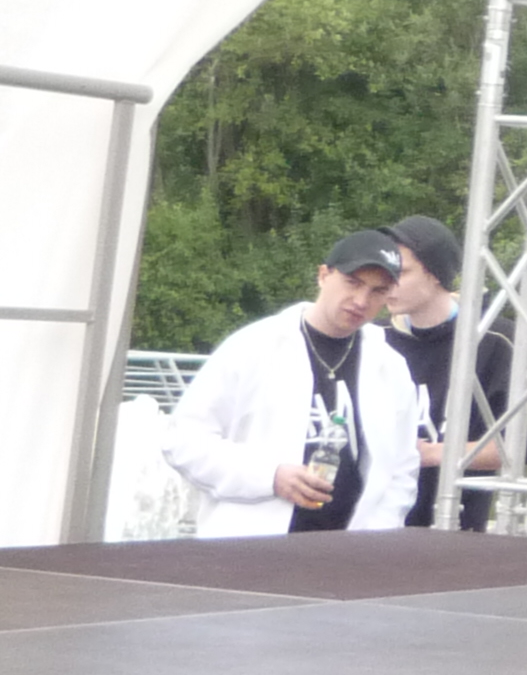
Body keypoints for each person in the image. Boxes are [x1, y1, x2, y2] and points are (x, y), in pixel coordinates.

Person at [159, 230, 424, 538]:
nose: (361, 301)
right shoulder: (254, 346)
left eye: (378, 291)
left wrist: (377, 534)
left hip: (350, 553)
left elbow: (402, 468)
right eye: (352, 283)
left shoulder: (390, 366)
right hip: (252, 548)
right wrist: (270, 476)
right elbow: (183, 442)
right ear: (323, 275)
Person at [377, 214, 505, 530]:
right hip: (374, 527)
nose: (387, 284)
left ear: (435, 273)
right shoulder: (372, 339)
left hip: (457, 530)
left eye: (401, 272)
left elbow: (518, 447)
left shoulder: (496, 340)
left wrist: (432, 453)